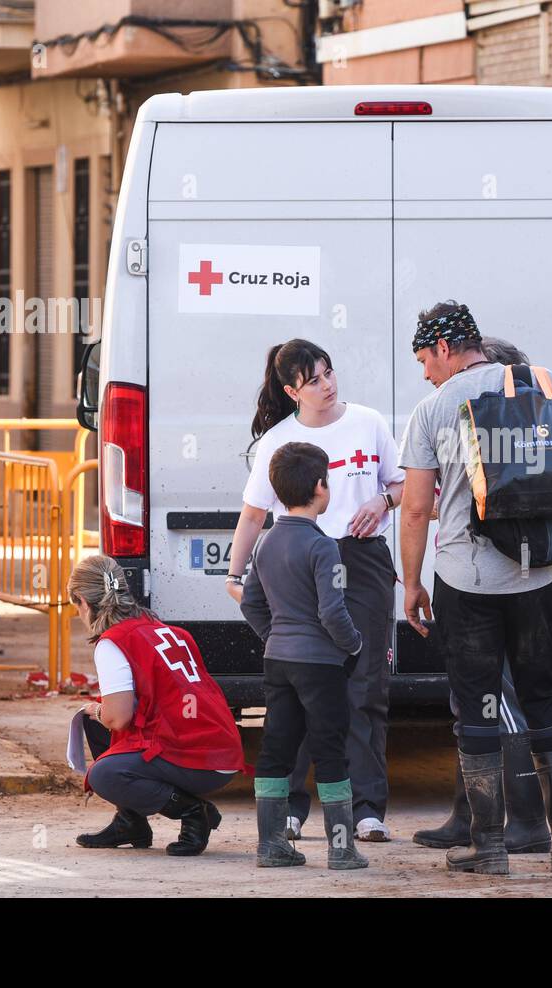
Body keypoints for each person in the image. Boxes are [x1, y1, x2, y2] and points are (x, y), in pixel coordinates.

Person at [398, 301, 552, 876]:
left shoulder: (435, 407)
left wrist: (411, 584)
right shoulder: (548, 382)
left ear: (441, 348)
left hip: (469, 580)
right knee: (545, 700)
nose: (425, 373)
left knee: (479, 710)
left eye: (424, 360)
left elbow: (415, 510)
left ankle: (489, 849)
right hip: (541, 575)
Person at [227, 340, 402, 843]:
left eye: (329, 373)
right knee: (304, 684)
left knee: (365, 685)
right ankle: (291, 808)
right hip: (302, 559)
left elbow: (408, 486)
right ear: (291, 391)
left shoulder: (369, 422)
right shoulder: (277, 441)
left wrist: (382, 501)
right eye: (314, 381)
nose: (327, 385)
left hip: (362, 560)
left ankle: (367, 809)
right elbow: (254, 513)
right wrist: (236, 576)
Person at [411, 337, 550, 855]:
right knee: (471, 702)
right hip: (487, 577)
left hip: (486, 583)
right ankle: (468, 815)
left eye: (429, 362)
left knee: (500, 701)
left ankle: (529, 821)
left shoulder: (484, 424)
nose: (430, 377)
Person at [240, 441, 369, 870]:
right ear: (320, 487)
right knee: (330, 750)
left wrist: (273, 636)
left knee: (277, 747)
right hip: (321, 664)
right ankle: (341, 848)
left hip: (278, 661)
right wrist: (353, 645)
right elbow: (332, 612)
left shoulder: (264, 543)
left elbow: (250, 603)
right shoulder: (324, 547)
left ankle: (271, 844)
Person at [71, 554, 245, 856]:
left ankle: (193, 812)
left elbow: (119, 719)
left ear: (84, 602)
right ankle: (130, 820)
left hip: (196, 759)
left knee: (103, 774)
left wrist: (98, 710)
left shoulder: (112, 642)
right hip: (221, 749)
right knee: (94, 722)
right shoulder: (166, 629)